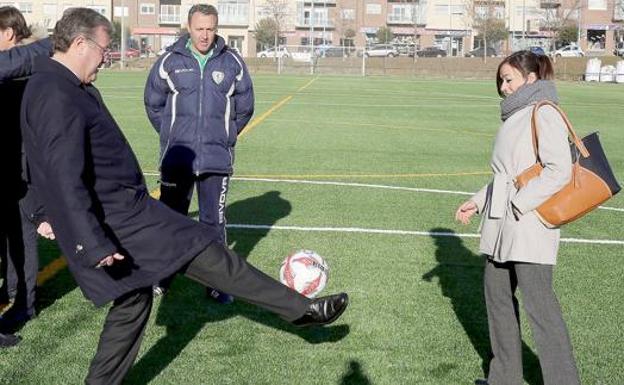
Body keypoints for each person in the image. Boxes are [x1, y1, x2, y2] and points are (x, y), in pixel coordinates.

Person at [21, 8, 348, 384]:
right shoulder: (54, 92)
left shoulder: (56, 85)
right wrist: (89, 243)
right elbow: (61, 173)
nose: (106, 58)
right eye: (104, 50)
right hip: (119, 219)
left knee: (134, 299)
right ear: (80, 44)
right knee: (201, 247)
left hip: (120, 214)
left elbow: (32, 158)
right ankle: (302, 310)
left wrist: (40, 211)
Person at [455, 50, 580, 385]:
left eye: (508, 79)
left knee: (541, 309)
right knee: (497, 302)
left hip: (528, 225)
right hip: (500, 224)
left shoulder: (544, 112)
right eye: (501, 80)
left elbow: (559, 171)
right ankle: (503, 379)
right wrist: (479, 202)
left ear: (531, 79)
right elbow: (506, 175)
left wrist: (519, 204)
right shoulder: (515, 115)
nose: (503, 86)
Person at [144, 4, 254, 303]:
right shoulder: (169, 60)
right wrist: (173, 135)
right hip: (178, 159)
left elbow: (245, 108)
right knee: (170, 221)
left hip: (216, 161)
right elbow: (153, 104)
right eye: (199, 28)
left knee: (213, 224)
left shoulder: (232, 62)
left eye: (210, 29)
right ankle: (162, 277)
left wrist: (224, 136)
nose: (204, 35)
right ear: (188, 28)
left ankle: (217, 283)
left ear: (216, 29)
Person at [0, 6, 54, 332]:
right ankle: (14, 291)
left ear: (8, 33)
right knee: (10, 233)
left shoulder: (27, 66)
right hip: (10, 164)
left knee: (21, 232)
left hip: (24, 166)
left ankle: (24, 300)